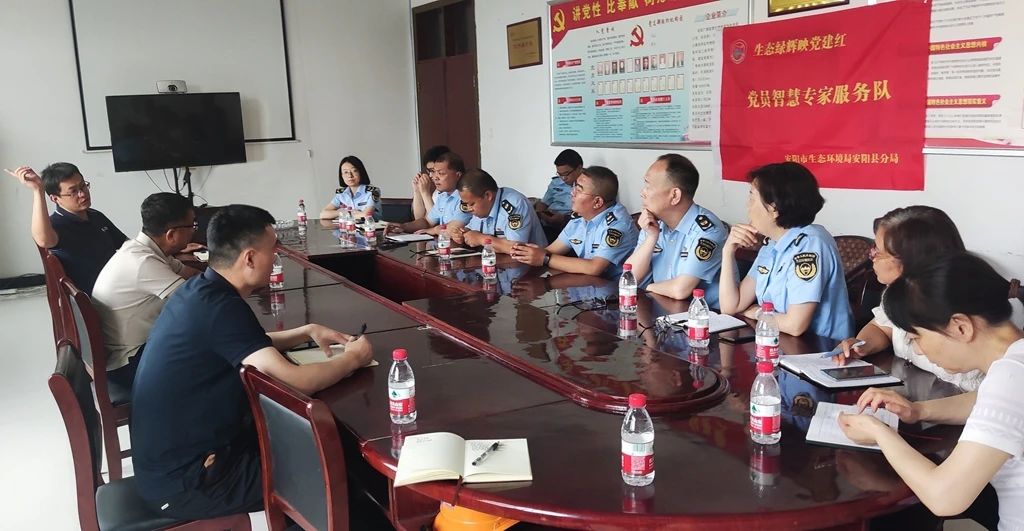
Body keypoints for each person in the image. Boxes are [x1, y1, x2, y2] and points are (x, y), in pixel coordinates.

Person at [130, 204, 373, 520]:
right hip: (191, 482)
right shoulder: (220, 307)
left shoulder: (201, 290)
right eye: (273, 249)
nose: (276, 257)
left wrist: (307, 331)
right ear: (249, 258)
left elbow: (243, 343)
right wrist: (354, 358)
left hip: (177, 464)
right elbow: (296, 382)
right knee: (338, 471)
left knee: (318, 448)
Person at [838, 253, 1024, 529]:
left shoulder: (1011, 377)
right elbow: (986, 400)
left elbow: (944, 498)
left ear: (960, 327)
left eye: (916, 337)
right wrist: (919, 410)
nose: (917, 349)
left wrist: (880, 433)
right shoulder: (1015, 362)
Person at [834, 206, 1024, 391]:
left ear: (910, 259)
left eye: (878, 251)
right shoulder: (899, 295)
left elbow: (986, 395)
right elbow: (882, 326)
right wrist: (862, 345)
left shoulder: (962, 305)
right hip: (920, 394)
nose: (871, 256)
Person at [718, 162, 853, 340]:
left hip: (818, 349)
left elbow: (795, 325)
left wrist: (758, 313)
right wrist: (728, 251)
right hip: (779, 342)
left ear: (773, 208)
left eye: (752, 197)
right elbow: (731, 307)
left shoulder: (810, 245)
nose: (747, 206)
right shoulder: (772, 244)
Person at [91, 193, 203, 391]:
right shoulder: (143, 263)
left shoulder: (145, 250)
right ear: (171, 235)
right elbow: (198, 302)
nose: (194, 232)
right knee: (217, 357)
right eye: (192, 226)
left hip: (133, 352)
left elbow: (193, 276)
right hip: (130, 364)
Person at [625, 154, 730, 307]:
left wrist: (647, 288)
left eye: (648, 186)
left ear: (674, 195)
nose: (642, 192)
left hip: (703, 315)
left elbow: (680, 290)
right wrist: (651, 237)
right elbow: (629, 277)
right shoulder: (654, 223)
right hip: (665, 309)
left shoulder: (708, 230)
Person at [6, 163, 127, 294]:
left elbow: (126, 245)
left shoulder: (96, 215)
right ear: (55, 198)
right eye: (73, 191)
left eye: (83, 186)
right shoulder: (55, 225)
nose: (82, 194)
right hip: (99, 297)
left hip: (120, 285)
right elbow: (43, 240)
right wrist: (38, 190)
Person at [511, 165, 637, 278]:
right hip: (591, 285)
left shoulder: (617, 225)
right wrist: (530, 252)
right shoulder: (579, 218)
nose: (572, 193)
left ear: (597, 202)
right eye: (574, 187)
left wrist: (544, 258)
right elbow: (552, 250)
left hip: (622, 291)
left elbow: (594, 268)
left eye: (579, 190)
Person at [450, 169, 546, 253]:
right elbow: (473, 231)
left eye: (471, 204)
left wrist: (480, 239)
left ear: (488, 195)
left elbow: (517, 248)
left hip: (532, 265)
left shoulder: (514, 204)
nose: (469, 209)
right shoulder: (482, 208)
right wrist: (463, 234)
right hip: (496, 261)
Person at [387, 151, 470, 236]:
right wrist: (403, 226)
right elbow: (427, 221)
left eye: (441, 173)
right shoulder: (442, 196)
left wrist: (433, 230)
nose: (435, 177)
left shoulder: (466, 198)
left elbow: (454, 228)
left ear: (458, 175)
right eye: (435, 172)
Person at [319, 155, 382, 220]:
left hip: (371, 226)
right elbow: (323, 214)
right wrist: (343, 212)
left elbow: (366, 215)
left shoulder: (373, 192)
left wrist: (346, 214)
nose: (350, 175)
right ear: (342, 176)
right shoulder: (341, 194)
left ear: (361, 172)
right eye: (345, 172)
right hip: (350, 226)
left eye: (354, 171)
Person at [533, 149, 582, 229]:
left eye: (566, 174)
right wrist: (540, 214)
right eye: (560, 174)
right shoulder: (556, 182)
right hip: (549, 221)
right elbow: (543, 203)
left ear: (579, 168)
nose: (563, 178)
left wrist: (564, 219)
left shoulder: (589, 186)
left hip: (571, 224)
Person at [411, 145, 449, 220]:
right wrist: (417, 191)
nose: (431, 175)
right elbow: (420, 218)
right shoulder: (437, 192)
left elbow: (436, 220)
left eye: (433, 171)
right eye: (429, 171)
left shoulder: (456, 193)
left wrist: (425, 193)